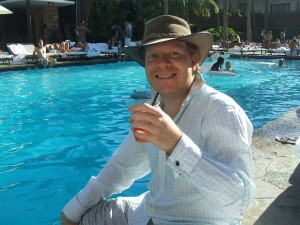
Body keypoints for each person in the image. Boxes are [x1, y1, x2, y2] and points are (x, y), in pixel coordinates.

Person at [61, 15, 255, 225]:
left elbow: (239, 201)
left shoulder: (220, 110)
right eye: (152, 56)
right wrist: (72, 211)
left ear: (194, 61)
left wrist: (175, 144)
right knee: (85, 216)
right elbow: (120, 168)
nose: (162, 64)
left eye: (174, 53)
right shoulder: (155, 111)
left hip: (198, 221)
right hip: (147, 213)